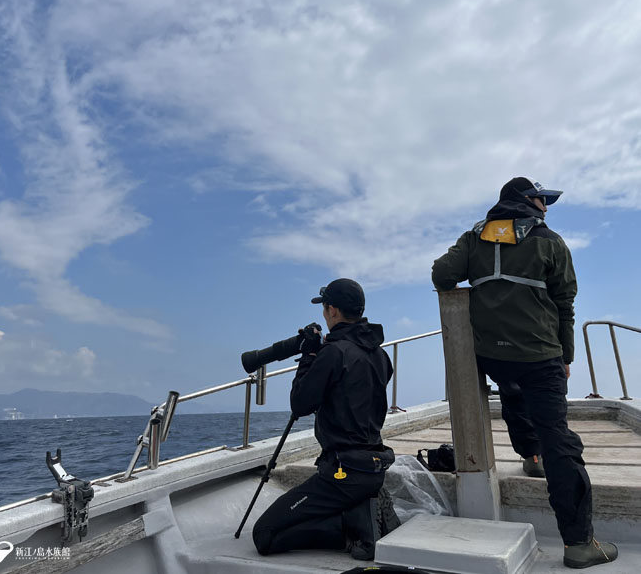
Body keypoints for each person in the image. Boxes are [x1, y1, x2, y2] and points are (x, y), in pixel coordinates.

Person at [431, 177, 617, 569]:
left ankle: (530, 455)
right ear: (524, 200)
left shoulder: (474, 237)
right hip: (539, 354)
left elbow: (441, 274)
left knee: (512, 389)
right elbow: (565, 301)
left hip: (490, 355)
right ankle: (579, 542)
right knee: (559, 440)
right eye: (541, 199)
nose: (546, 207)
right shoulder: (550, 241)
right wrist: (565, 354)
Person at [252, 278, 400, 560]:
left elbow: (300, 404)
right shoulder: (381, 356)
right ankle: (361, 507)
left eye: (325, 309)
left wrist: (309, 355)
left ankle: (354, 526)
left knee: (265, 534)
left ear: (332, 311)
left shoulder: (334, 353)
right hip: (373, 469)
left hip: (342, 475)